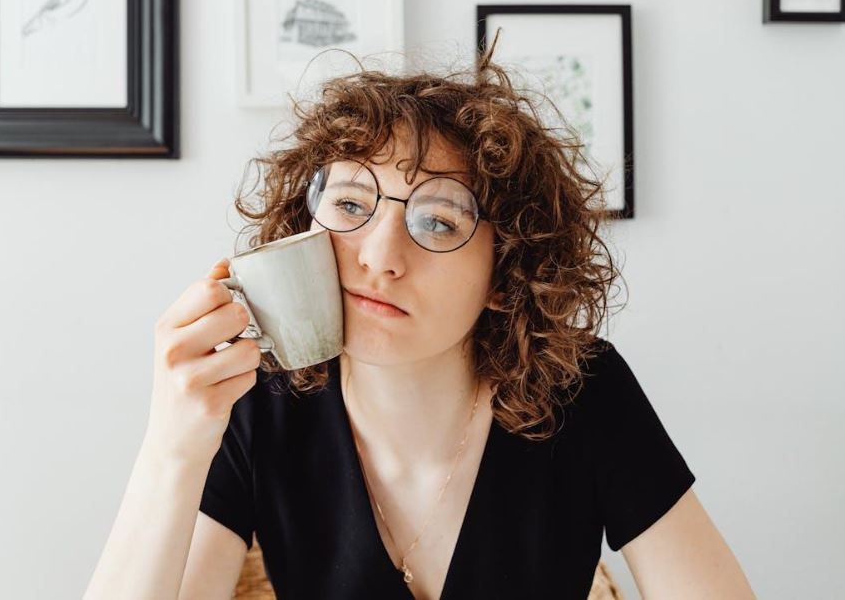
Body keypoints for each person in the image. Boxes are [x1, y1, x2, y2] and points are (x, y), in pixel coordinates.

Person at [84, 36, 756, 599]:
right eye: (350, 206)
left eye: (438, 219)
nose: (380, 257)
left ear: (506, 271)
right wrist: (172, 447)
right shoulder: (260, 400)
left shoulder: (581, 389)